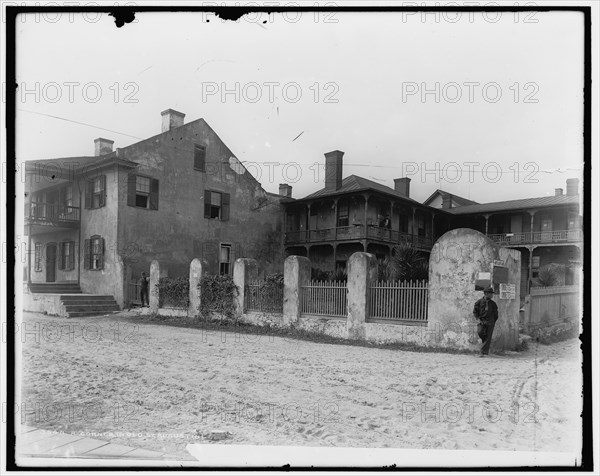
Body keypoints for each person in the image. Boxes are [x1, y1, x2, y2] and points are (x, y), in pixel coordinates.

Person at [473, 286, 498, 356]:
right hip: (482, 321)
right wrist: (478, 319)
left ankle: (482, 352)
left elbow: (496, 314)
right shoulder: (479, 302)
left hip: (490, 321)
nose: (492, 295)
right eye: (491, 293)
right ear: (486, 293)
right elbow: (475, 311)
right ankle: (485, 350)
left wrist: (493, 321)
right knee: (480, 332)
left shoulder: (493, 304)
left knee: (488, 337)